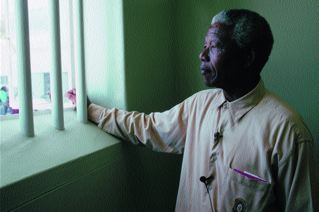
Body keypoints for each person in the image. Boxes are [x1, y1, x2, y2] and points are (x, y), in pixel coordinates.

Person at [87, 9, 318, 212]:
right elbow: (147, 127)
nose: (202, 55)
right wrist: (91, 111)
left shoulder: (289, 132)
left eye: (214, 46)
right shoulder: (199, 105)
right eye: (204, 45)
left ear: (247, 57)